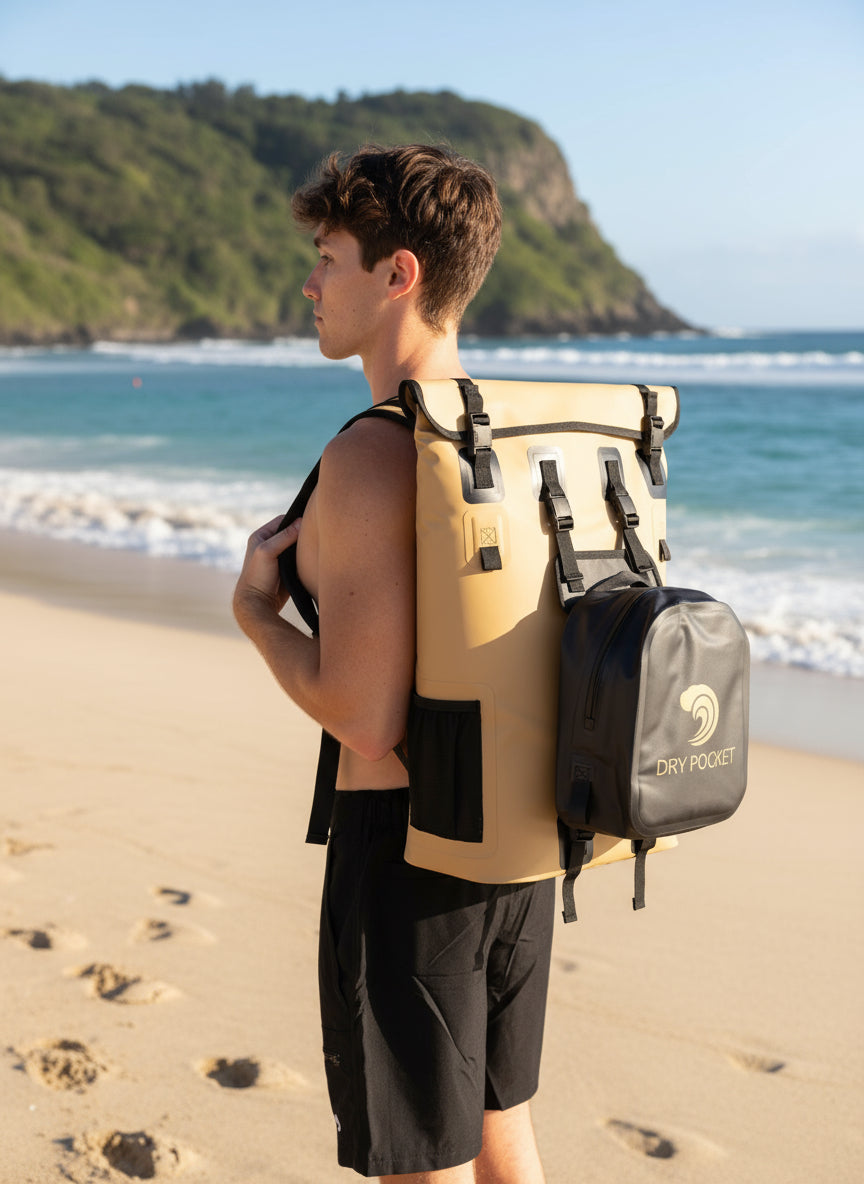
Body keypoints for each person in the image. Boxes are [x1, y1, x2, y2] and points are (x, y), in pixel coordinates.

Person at [233, 145, 555, 1183]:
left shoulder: (374, 453)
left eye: (328, 256)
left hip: (408, 847)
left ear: (398, 274)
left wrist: (256, 613)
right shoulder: (508, 428)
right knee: (502, 1125)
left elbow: (364, 718)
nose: (311, 281)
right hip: (517, 835)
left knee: (419, 1164)